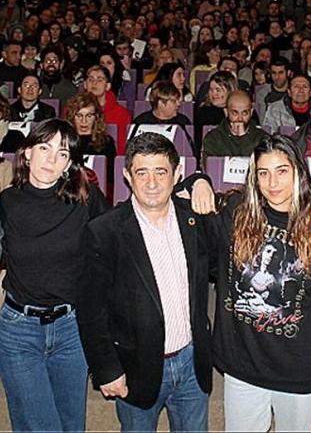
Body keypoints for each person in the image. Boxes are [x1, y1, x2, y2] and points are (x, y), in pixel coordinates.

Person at [190, 134, 311, 431]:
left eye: (282, 171)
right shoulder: (235, 213)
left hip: (298, 365)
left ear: (298, 173)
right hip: (243, 362)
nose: (272, 183)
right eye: (263, 173)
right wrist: (198, 180)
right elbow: (180, 194)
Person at [76, 133, 213, 432]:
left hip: (192, 362)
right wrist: (107, 369)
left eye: (161, 172)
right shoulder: (104, 231)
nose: (151, 183)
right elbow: (90, 311)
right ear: (127, 176)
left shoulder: (195, 220)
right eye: (142, 172)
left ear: (177, 174)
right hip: (135, 365)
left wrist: (201, 179)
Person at [0, 119, 108, 431]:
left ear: (69, 165)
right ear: (27, 153)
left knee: (71, 425)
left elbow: (127, 226)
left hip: (71, 329)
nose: (51, 158)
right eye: (44, 148)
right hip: (19, 330)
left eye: (62, 153)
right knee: (38, 425)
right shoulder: (7, 202)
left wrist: (193, 181)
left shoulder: (85, 200)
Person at [201, 90, 267, 168]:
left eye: (245, 113)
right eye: (235, 113)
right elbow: (210, 169)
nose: (240, 118)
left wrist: (243, 137)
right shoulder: (213, 138)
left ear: (251, 112)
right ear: (226, 112)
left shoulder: (262, 137)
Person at [84, 64, 132, 155]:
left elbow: (122, 148)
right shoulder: (73, 110)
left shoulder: (121, 113)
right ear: (85, 85)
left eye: (100, 80)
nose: (94, 83)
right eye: (90, 79)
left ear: (108, 86)